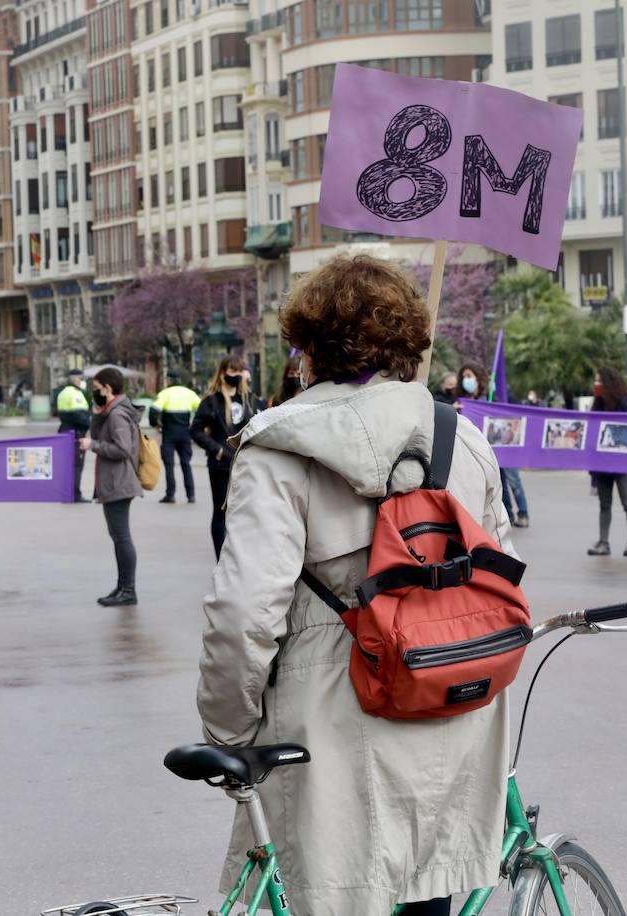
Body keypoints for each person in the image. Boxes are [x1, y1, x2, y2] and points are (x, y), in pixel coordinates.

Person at [197, 253, 513, 916]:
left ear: (308, 346)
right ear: (407, 340)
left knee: (335, 888)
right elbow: (497, 586)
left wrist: (230, 732)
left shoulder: (277, 450)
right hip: (447, 707)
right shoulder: (465, 440)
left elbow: (245, 614)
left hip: (330, 725)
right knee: (429, 890)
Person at [190, 356, 262, 559]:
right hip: (221, 465)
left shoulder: (249, 399)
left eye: (240, 371)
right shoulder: (211, 401)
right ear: (222, 373)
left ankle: (240, 560)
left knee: (246, 513)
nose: (236, 375)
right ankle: (221, 560)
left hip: (246, 464)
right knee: (221, 512)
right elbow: (195, 430)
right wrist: (217, 450)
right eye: (232, 371)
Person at [83, 366, 141, 606]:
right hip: (115, 481)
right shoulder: (111, 410)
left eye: (96, 389)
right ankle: (122, 587)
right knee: (118, 536)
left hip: (119, 481)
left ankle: (128, 589)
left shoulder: (117, 414)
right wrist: (98, 412)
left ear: (107, 388)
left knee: (122, 537)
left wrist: (92, 446)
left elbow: (122, 449)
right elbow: (97, 433)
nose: (93, 392)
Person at [460, 364, 529, 529]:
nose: (466, 380)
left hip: (504, 447)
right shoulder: (465, 400)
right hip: (484, 449)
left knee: (513, 480)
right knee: (499, 483)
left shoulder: (495, 398)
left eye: (469, 376)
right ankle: (508, 514)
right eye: (464, 376)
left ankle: (523, 513)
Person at [588, 367, 627, 557]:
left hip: (622, 463)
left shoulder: (623, 403)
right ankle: (603, 543)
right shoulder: (597, 404)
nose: (596, 385)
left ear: (608, 384)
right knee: (604, 504)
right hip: (602, 464)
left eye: (599, 381)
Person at [150, 370, 201, 504]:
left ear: (169, 380)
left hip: (169, 433)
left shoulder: (165, 394)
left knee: (169, 465)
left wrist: (155, 423)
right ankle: (191, 495)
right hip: (185, 433)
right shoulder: (190, 394)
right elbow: (202, 409)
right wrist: (196, 425)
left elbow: (153, 410)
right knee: (186, 464)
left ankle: (170, 494)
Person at [56, 369, 92, 503]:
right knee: (77, 465)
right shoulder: (75, 394)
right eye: (82, 379)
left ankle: (66, 492)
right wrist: (90, 425)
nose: (83, 382)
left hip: (64, 430)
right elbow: (79, 416)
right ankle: (75, 494)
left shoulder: (62, 392)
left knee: (67, 465)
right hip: (76, 433)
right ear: (77, 379)